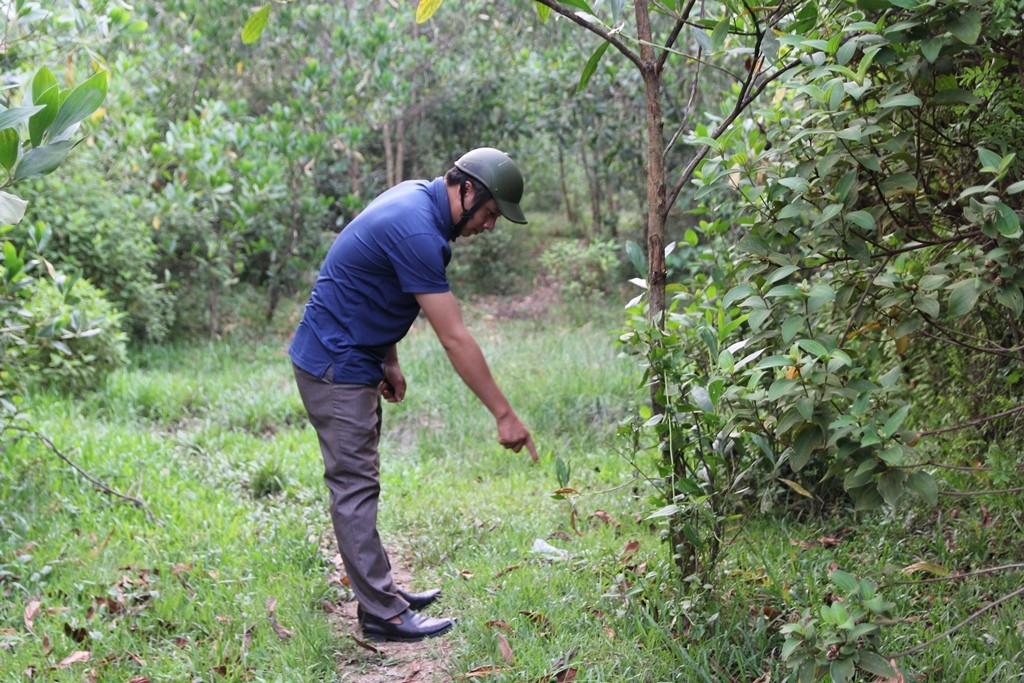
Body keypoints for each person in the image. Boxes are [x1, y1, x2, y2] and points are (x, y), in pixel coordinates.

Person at [289, 147, 539, 643]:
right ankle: (382, 614)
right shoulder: (419, 231)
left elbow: (373, 283)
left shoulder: (416, 202)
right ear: (464, 189)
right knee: (354, 486)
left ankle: (382, 596)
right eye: (489, 214)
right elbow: (455, 337)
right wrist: (504, 414)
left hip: (353, 355)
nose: (489, 226)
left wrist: (389, 358)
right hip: (335, 364)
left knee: (362, 481)